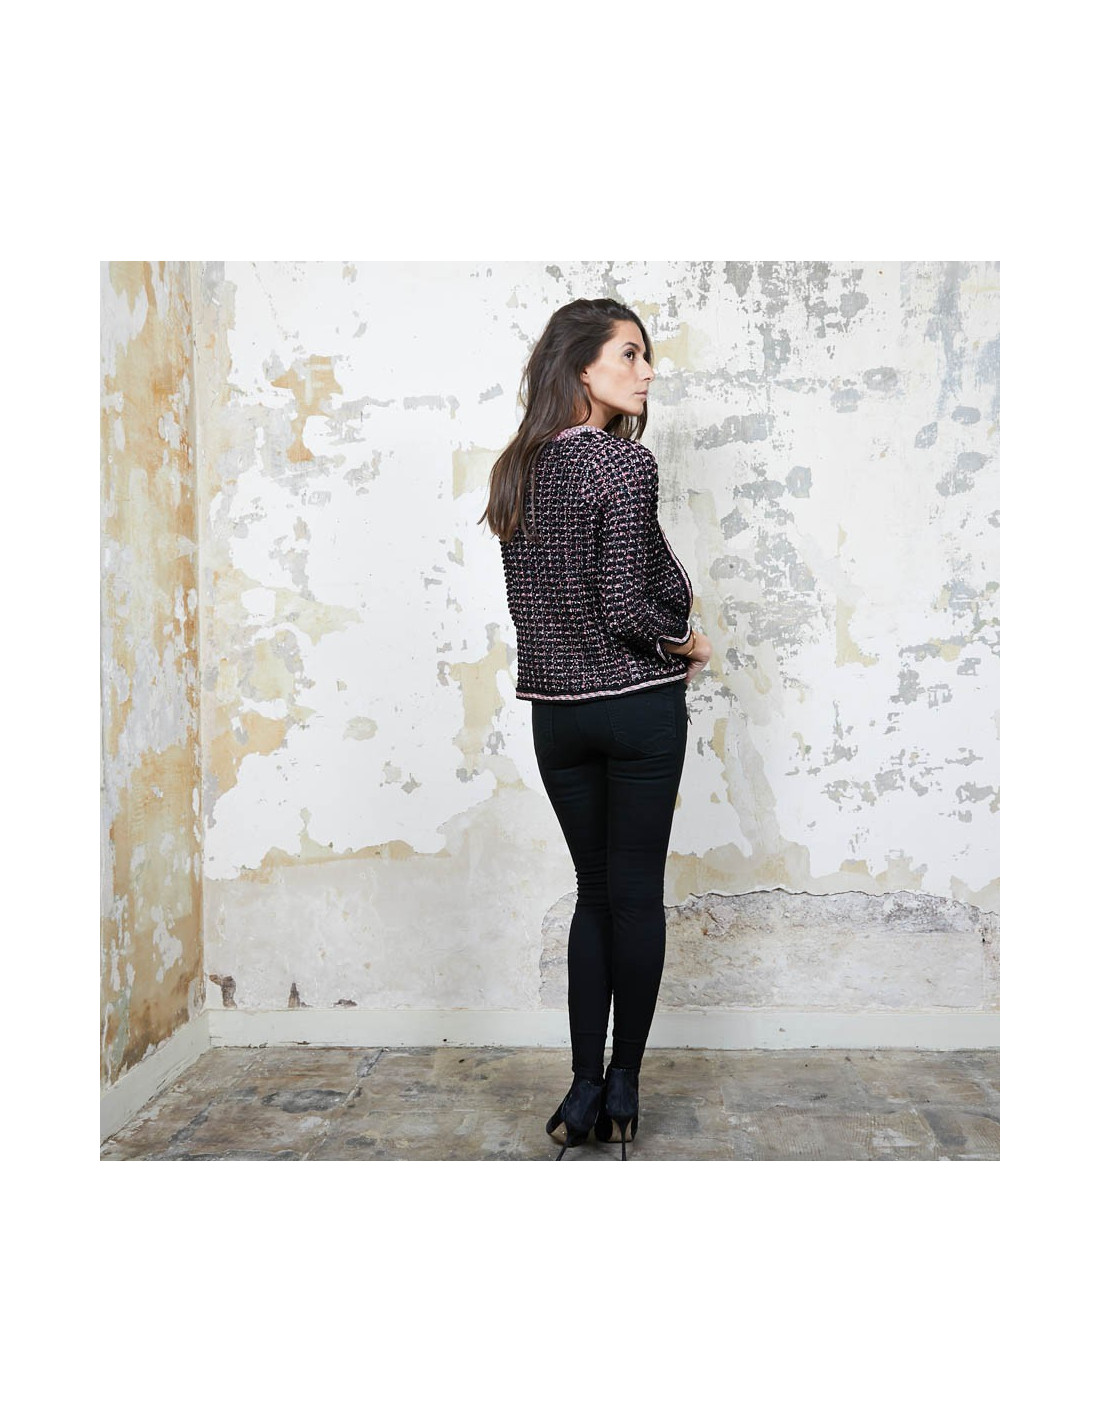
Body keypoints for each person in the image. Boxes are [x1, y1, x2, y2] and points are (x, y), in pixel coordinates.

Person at [480, 297, 713, 1160]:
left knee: (593, 895)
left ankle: (582, 1088)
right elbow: (624, 605)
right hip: (636, 708)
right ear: (583, 366)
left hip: (557, 718)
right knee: (635, 898)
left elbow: (537, 605)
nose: (647, 373)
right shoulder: (622, 463)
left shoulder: (517, 467)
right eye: (630, 354)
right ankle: (624, 1083)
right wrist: (686, 640)